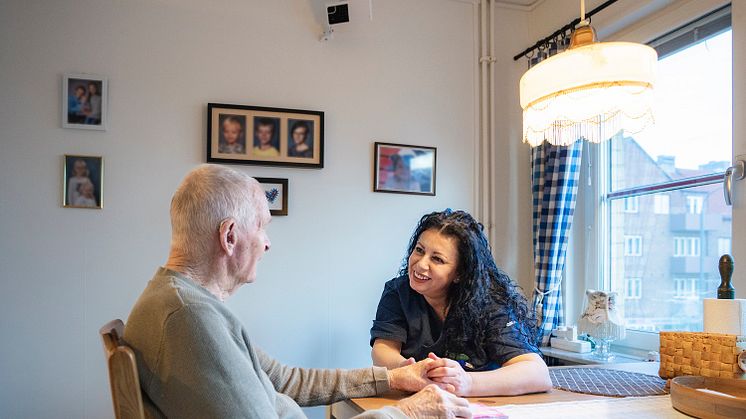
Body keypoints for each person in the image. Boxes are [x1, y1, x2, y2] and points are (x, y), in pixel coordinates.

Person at [123, 165, 472, 418]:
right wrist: (407, 414)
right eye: (262, 227)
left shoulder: (184, 303)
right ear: (229, 237)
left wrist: (392, 377)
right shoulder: (189, 318)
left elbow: (285, 380)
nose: (267, 243)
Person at [370, 210, 552, 397]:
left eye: (437, 259)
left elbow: (537, 373)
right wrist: (409, 370)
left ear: (460, 273)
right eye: (419, 250)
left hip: (482, 406)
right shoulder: (398, 291)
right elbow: (383, 349)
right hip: (418, 401)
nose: (420, 264)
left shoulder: (491, 303)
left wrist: (467, 383)